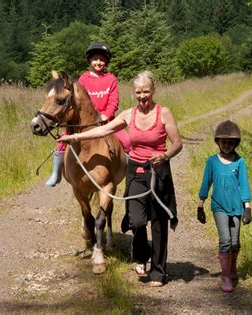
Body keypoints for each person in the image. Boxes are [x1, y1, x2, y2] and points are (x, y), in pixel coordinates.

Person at [58, 70, 182, 287]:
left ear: (153, 91)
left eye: (146, 91)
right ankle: (142, 255)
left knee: (159, 223)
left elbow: (177, 143)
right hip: (136, 171)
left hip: (158, 171)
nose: (142, 96)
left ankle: (159, 271)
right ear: (134, 93)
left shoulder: (164, 113)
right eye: (138, 92)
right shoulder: (128, 115)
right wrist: (74, 136)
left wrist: (165, 155)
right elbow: (101, 130)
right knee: (136, 220)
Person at [45, 41, 131, 187]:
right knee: (61, 142)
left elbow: (114, 101)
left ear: (106, 61)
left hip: (107, 121)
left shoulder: (111, 79)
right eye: (95, 59)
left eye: (102, 59)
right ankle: (56, 172)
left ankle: (130, 173)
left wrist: (106, 114)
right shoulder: (84, 79)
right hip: (86, 122)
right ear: (90, 60)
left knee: (128, 141)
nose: (99, 62)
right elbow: (78, 101)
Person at [196, 120, 252, 293]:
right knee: (225, 240)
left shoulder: (240, 162)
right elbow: (206, 183)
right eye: (223, 142)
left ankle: (233, 268)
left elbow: (244, 185)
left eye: (230, 142)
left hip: (236, 207)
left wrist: (247, 208)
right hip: (219, 206)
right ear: (218, 142)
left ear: (235, 143)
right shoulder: (212, 161)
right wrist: (200, 205)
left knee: (235, 242)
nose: (227, 145)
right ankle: (225, 276)